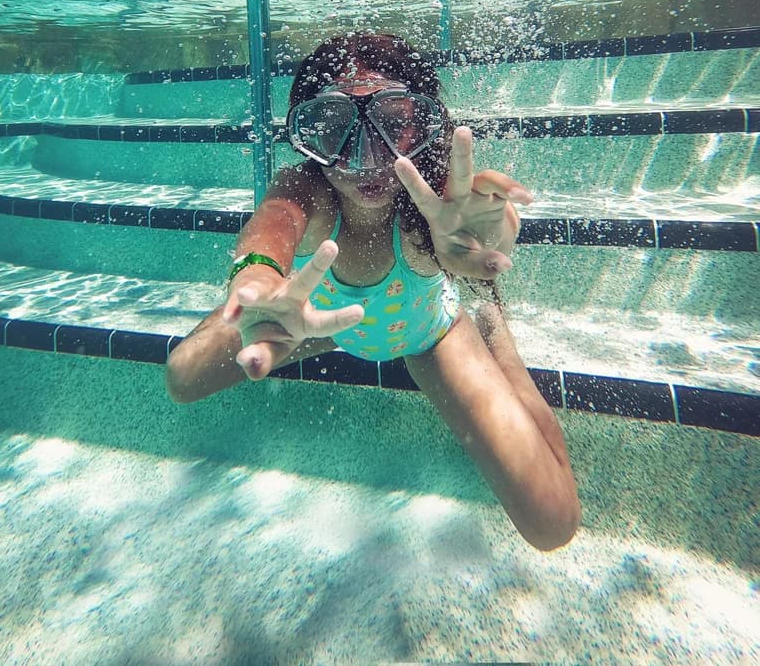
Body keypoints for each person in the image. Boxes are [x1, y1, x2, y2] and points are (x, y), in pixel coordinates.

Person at [166, 33, 581, 551]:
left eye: (393, 124)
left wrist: (493, 234)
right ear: (308, 137)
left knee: (552, 524)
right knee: (182, 376)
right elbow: (275, 220)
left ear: (424, 126)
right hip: (319, 320)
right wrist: (257, 277)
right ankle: (275, 314)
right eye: (335, 128)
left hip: (428, 333)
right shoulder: (308, 188)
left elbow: (485, 223)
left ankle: (498, 333)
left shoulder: (437, 201)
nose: (365, 156)